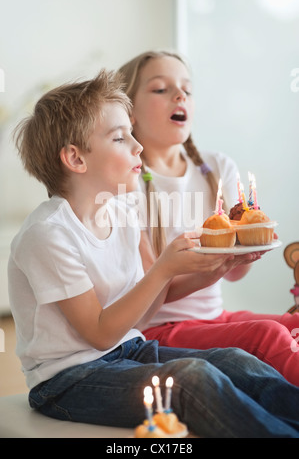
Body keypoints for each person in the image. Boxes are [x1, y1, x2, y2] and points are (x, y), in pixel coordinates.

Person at [8, 69, 299, 439]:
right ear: (75, 159)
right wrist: (163, 269)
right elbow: (99, 335)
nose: (138, 146)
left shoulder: (124, 209)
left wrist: (216, 267)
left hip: (129, 349)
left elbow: (153, 298)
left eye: (132, 133)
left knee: (236, 361)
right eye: (119, 137)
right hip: (68, 380)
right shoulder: (48, 235)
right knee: (192, 379)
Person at [118, 50, 299, 387]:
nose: (179, 95)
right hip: (160, 331)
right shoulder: (126, 181)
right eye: (160, 89)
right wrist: (219, 266)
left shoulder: (217, 167)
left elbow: (235, 275)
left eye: (187, 89)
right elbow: (152, 291)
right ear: (128, 111)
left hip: (214, 318)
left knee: (294, 324)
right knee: (269, 334)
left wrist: (244, 251)